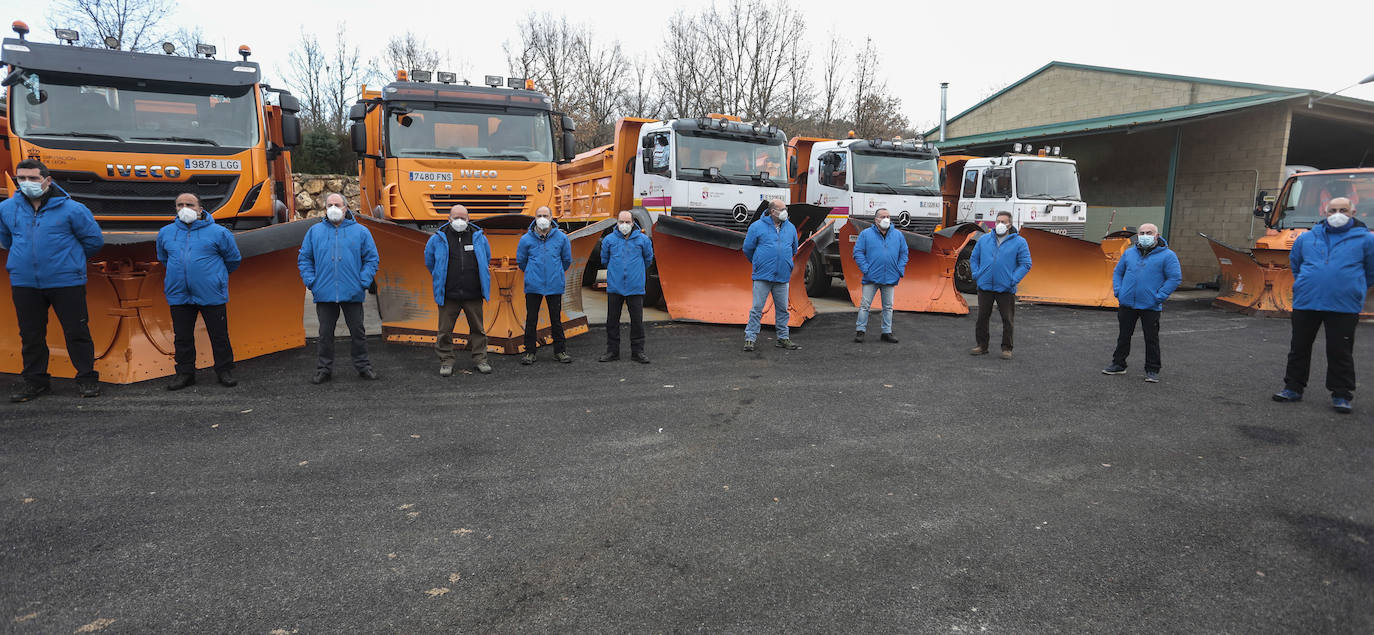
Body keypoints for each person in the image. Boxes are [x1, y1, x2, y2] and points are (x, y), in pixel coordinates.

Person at [0, 159, 104, 402]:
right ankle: (36, 382)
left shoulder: (73, 210)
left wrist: (70, 261)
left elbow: (94, 241)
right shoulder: (6, 209)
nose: (27, 183)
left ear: (47, 180)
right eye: (22, 179)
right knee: (30, 334)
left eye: (33, 178)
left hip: (66, 281)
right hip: (25, 282)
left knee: (76, 331)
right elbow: (6, 240)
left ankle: (87, 379)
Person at [1273, 197, 1374, 414]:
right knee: (1299, 347)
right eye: (1333, 210)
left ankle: (1341, 394)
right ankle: (1293, 388)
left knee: (1340, 350)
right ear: (1325, 212)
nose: (1338, 214)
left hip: (1343, 306)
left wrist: (1353, 286)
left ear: (1353, 212)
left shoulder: (1366, 240)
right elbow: (1296, 263)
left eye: (1343, 210)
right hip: (1307, 301)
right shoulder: (1307, 238)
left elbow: (1371, 270)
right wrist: (1306, 282)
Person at [157, 193, 242, 390]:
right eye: (180, 204)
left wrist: (215, 277)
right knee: (182, 336)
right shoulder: (165, 233)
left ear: (200, 209)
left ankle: (224, 370)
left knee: (219, 334)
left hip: (211, 292)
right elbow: (164, 258)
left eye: (189, 204)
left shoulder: (219, 233)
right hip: (179, 293)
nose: (184, 208)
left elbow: (233, 259)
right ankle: (185, 373)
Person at [298, 193, 380, 384]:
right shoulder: (314, 231)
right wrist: (312, 281)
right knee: (325, 334)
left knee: (358, 333)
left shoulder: (361, 231)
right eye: (329, 205)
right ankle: (324, 369)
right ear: (325, 208)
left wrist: (363, 281)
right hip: (324, 293)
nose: (333, 208)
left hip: (353, 292)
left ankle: (363, 366)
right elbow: (304, 258)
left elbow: (371, 259)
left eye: (337, 204)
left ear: (345, 207)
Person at [1101, 223, 1181, 383]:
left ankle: (1152, 369)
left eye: (1149, 233)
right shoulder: (1129, 254)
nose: (1145, 235)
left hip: (1150, 305)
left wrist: (1160, 296)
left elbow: (1174, 278)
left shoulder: (1168, 256)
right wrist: (1119, 291)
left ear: (1157, 235)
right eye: (1142, 233)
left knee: (1151, 338)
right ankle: (1118, 364)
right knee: (1123, 335)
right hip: (1127, 303)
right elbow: (1118, 272)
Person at [424, 204, 492, 377]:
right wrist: (440, 277)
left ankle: (480, 359)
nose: (460, 221)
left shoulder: (479, 237)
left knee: (478, 329)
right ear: (449, 218)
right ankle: (446, 361)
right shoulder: (438, 238)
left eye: (463, 218)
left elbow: (487, 258)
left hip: (473, 293)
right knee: (444, 331)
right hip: (449, 294)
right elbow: (429, 260)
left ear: (469, 219)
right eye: (456, 218)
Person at [969, 210, 1031, 360]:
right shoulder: (984, 240)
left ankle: (1007, 348)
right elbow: (974, 258)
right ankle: (982, 346)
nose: (1000, 224)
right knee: (982, 318)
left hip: (1006, 288)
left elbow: (1025, 264)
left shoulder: (1019, 242)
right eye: (997, 221)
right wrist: (977, 274)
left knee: (1007, 319)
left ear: (1010, 224)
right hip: (985, 287)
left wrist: (1012, 280)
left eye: (1003, 222)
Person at [516, 205, 572, 365]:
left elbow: (566, 260)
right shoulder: (526, 239)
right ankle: (529, 352)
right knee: (531, 319)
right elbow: (521, 261)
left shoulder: (561, 238)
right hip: (533, 286)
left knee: (556, 319)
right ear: (534, 218)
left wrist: (556, 272)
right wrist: (533, 273)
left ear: (551, 217)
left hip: (554, 285)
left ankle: (560, 351)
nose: (542, 218)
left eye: (545, 215)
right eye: (539, 215)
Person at [742, 199, 800, 352]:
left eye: (785, 208)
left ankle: (783, 338)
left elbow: (794, 248)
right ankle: (750, 338)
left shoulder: (791, 228)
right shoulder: (757, 227)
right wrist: (758, 263)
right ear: (773, 212)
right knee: (757, 308)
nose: (785, 212)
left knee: (782, 309)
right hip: (762, 276)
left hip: (782, 276)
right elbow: (747, 248)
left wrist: (785, 263)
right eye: (782, 209)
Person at [599, 210, 654, 363]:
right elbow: (604, 259)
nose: (624, 225)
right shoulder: (609, 240)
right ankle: (612, 351)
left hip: (635, 287)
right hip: (615, 287)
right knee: (612, 321)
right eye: (621, 222)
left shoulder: (643, 240)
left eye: (627, 222)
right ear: (617, 223)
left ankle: (638, 352)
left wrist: (636, 273)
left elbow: (648, 259)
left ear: (633, 223)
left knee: (637, 321)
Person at [851, 208, 907, 343]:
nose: (886, 219)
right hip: (871, 277)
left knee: (888, 306)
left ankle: (886, 332)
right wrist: (866, 269)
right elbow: (858, 252)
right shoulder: (865, 234)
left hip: (890, 277)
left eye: (888, 216)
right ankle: (860, 331)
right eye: (882, 216)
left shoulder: (898, 235)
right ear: (876, 220)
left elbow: (904, 253)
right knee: (865, 305)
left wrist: (899, 270)